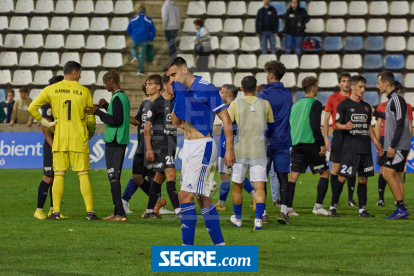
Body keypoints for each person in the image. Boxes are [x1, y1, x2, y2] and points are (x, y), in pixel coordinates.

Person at [165, 57, 235, 246]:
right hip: (188, 146)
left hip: (203, 145)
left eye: (173, 74)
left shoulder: (206, 88)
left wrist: (229, 148)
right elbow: (176, 123)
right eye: (169, 77)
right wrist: (175, 98)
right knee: (204, 198)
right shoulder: (181, 91)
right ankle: (220, 246)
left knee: (184, 196)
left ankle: (186, 248)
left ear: (184, 69)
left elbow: (226, 119)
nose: (171, 79)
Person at [28, 61, 99, 221]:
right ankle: (90, 212)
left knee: (58, 175)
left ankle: (55, 213)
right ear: (74, 73)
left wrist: (46, 123)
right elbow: (90, 118)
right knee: (83, 174)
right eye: (80, 73)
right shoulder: (84, 91)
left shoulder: (51, 89)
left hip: (60, 139)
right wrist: (91, 133)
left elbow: (32, 107)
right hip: (78, 138)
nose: (80, 76)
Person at [329, 75, 383, 218]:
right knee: (342, 178)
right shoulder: (344, 105)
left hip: (365, 149)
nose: (363, 89)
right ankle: (333, 207)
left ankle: (362, 210)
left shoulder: (366, 107)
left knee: (363, 179)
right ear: (352, 87)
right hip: (350, 149)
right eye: (360, 86)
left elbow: (369, 128)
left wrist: (377, 144)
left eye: (364, 87)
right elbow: (336, 124)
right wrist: (345, 126)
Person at [229, 76, 275, 230]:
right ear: (256, 88)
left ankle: (238, 218)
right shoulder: (265, 103)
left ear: (241, 89)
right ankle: (258, 220)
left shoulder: (235, 104)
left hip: (240, 150)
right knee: (259, 187)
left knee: (237, 186)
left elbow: (228, 127)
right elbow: (272, 126)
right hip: (259, 150)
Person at [86, 70, 130, 221]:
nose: (105, 86)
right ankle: (117, 212)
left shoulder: (117, 98)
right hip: (119, 141)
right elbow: (116, 116)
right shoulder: (121, 97)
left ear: (111, 81)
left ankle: (121, 214)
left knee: (113, 177)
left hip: (115, 142)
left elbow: (116, 121)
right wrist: (106, 107)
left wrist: (98, 112)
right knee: (114, 177)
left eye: (105, 83)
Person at [122, 77, 170, 215]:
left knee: (155, 176)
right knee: (138, 176)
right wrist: (123, 115)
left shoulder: (163, 104)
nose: (146, 86)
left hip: (156, 145)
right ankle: (157, 202)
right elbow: (137, 121)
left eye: (150, 84)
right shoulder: (144, 104)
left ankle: (155, 205)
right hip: (142, 145)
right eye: (146, 84)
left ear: (159, 87)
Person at [288, 76, 330, 218]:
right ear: (313, 88)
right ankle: (318, 206)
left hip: (296, 144)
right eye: (316, 86)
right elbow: (314, 126)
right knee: (324, 173)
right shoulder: (315, 104)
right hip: (310, 144)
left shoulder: (295, 105)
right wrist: (322, 144)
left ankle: (288, 208)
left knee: (293, 177)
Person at [258, 60, 292, 224]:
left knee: (262, 178)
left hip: (265, 141)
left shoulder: (263, 95)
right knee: (282, 177)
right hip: (283, 140)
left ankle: (263, 213)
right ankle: (284, 211)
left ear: (270, 75)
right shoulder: (287, 95)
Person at [143, 74, 181, 219]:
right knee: (171, 175)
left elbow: (178, 123)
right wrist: (149, 148)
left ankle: (149, 211)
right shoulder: (157, 103)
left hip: (171, 145)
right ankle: (179, 211)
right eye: (172, 85)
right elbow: (147, 127)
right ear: (165, 86)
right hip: (160, 145)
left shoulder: (177, 102)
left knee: (159, 178)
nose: (175, 87)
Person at [215, 84, 256, 211]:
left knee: (226, 176)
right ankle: (255, 196)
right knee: (237, 174)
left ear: (227, 95)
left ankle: (221, 204)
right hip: (236, 146)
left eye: (221, 92)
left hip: (227, 147)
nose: (219, 94)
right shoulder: (238, 107)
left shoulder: (228, 109)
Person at [34, 75, 69, 220]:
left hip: (60, 144)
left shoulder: (60, 102)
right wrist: (53, 145)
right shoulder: (49, 105)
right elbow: (45, 128)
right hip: (52, 145)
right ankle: (38, 210)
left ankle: (54, 210)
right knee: (48, 177)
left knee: (56, 178)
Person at [377, 72, 411, 219]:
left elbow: (399, 124)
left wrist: (392, 145)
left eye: (379, 83)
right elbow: (392, 118)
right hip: (397, 145)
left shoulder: (396, 99)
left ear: (386, 84)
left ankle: (401, 208)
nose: (377, 86)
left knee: (387, 173)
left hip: (398, 146)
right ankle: (400, 207)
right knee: (394, 175)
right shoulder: (392, 101)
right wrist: (376, 114)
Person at [323, 73, 357, 207]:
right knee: (336, 168)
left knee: (352, 166)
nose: (347, 83)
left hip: (353, 135)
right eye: (344, 81)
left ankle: (350, 198)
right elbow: (326, 120)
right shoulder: (332, 98)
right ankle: (335, 197)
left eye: (349, 81)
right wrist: (326, 137)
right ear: (339, 84)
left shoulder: (356, 97)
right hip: (338, 135)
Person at [257, 84, 280, 206]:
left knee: (268, 172)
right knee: (266, 172)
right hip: (266, 141)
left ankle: (270, 199)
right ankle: (264, 199)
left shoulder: (264, 107)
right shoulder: (264, 107)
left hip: (267, 141)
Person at [127, 5, 156, 76]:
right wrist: (150, 38)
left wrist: (132, 35)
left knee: (133, 48)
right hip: (144, 39)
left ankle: (134, 56)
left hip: (135, 38)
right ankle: (139, 71)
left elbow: (128, 30)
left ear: (138, 11)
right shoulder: (148, 19)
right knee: (142, 55)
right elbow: (153, 30)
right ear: (145, 12)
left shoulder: (133, 19)